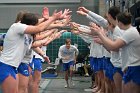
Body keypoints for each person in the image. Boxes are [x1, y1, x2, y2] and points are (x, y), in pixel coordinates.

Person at [0, 9, 61, 93]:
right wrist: (53, 18)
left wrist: (47, 19)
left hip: (13, 66)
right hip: (6, 65)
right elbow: (39, 28)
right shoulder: (17, 27)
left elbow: (41, 30)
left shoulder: (27, 35)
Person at [90, 12, 140, 93]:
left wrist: (100, 34)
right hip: (127, 66)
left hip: (132, 67)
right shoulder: (126, 32)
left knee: (120, 89)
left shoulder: (130, 33)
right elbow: (112, 48)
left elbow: (113, 47)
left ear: (119, 22)